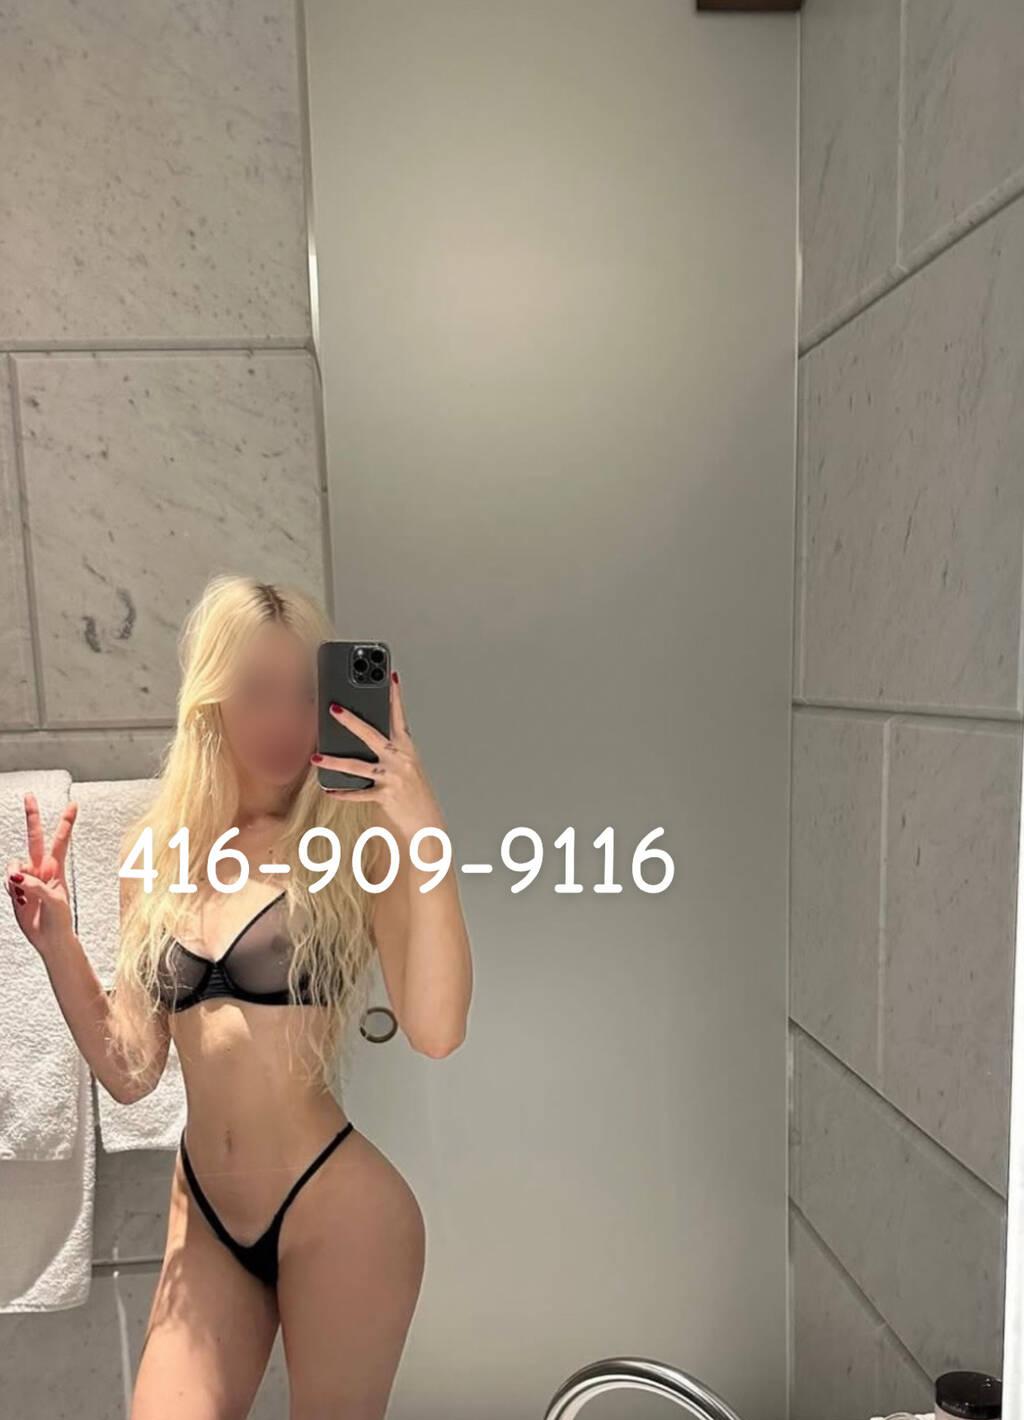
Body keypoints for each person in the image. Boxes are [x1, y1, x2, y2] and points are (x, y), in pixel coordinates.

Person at [5, 574, 473, 1419]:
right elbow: (132, 1070)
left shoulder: (356, 844)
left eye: (303, 693)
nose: (284, 720)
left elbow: (437, 1030)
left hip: (337, 1211)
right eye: (256, 691)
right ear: (211, 698)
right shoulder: (156, 852)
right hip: (206, 1215)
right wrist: (57, 945)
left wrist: (424, 832)